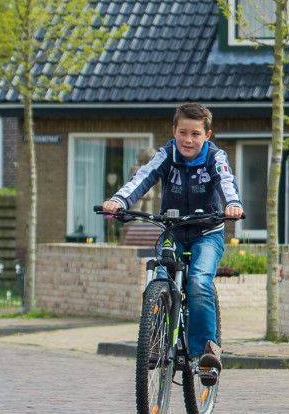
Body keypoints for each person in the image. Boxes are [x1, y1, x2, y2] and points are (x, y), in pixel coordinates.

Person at [101, 103, 243, 386]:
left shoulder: (215, 157)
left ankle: (206, 351)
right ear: (173, 131)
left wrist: (233, 204)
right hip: (173, 230)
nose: (188, 140)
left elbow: (226, 181)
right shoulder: (166, 155)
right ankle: (155, 340)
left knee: (200, 282)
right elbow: (142, 178)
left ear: (207, 135)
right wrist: (119, 201)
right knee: (159, 278)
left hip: (207, 232)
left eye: (195, 134)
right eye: (183, 133)